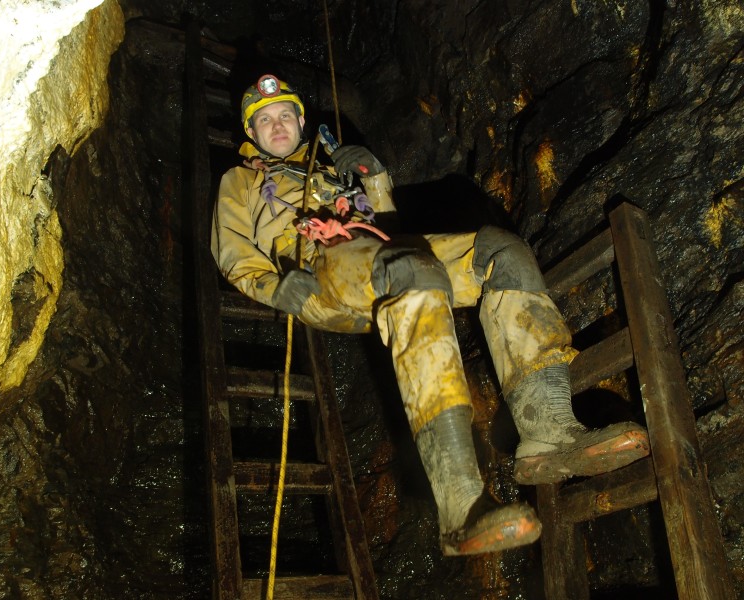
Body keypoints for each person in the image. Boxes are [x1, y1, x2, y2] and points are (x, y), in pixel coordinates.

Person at [211, 74, 651, 555]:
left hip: (379, 256)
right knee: (412, 272)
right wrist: (275, 286)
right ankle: (461, 504)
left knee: (502, 252)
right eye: (265, 120)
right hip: (319, 273)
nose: (277, 125)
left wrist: (374, 177)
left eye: (285, 115)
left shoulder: (329, 164)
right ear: (251, 133)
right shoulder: (242, 180)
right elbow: (232, 251)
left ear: (300, 121)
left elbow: (390, 224)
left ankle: (549, 431)